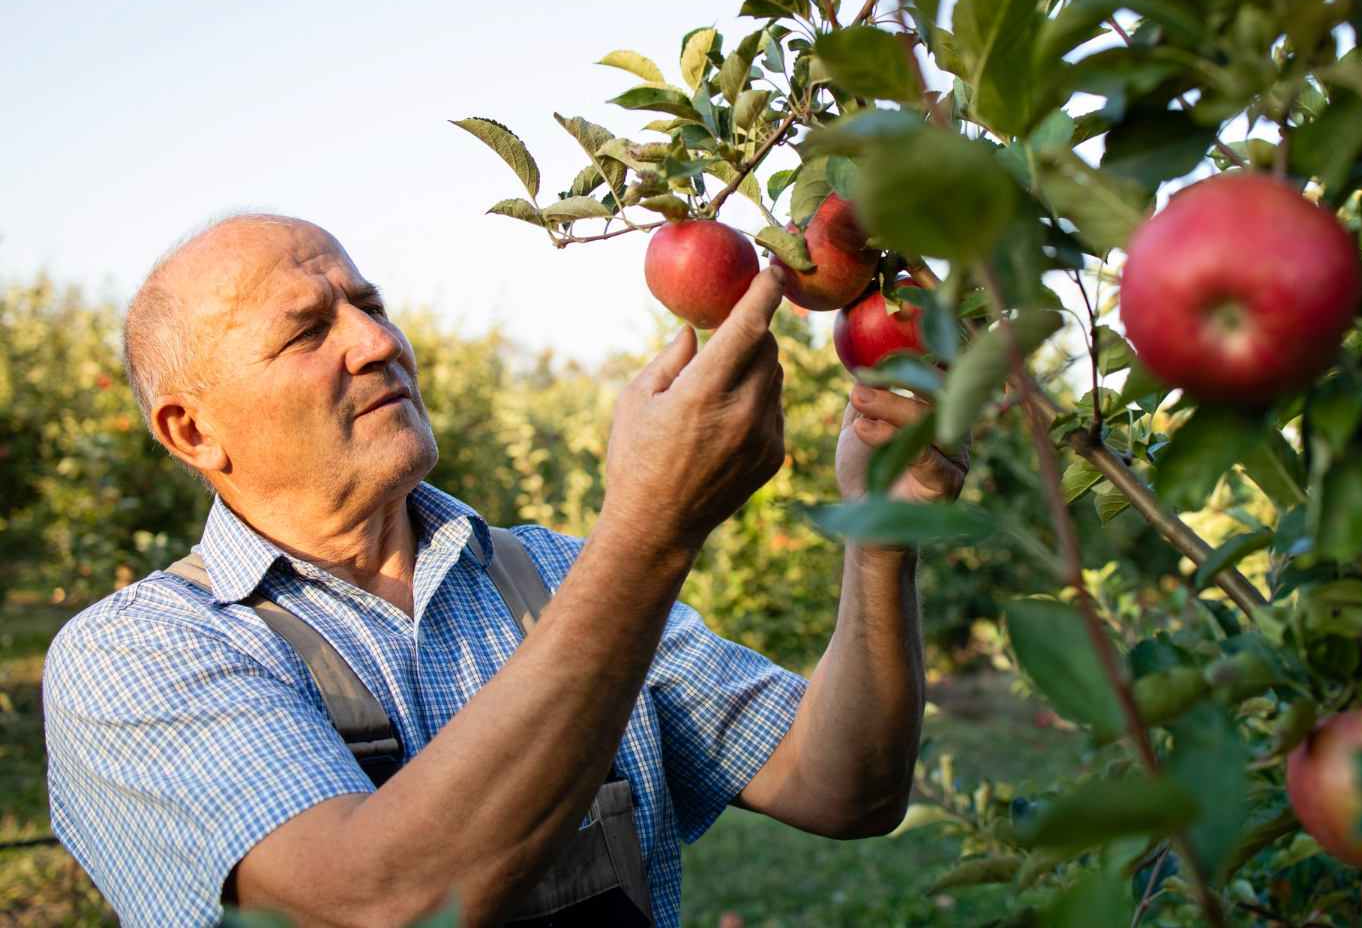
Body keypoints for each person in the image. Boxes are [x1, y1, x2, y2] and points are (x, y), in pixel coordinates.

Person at [42, 214, 968, 927]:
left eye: (371, 306)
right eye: (307, 332)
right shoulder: (135, 655)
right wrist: (651, 529)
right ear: (193, 430)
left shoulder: (553, 576)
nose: (376, 342)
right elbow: (379, 905)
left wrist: (883, 530)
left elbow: (843, 786)